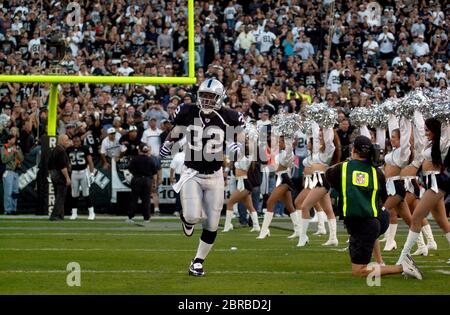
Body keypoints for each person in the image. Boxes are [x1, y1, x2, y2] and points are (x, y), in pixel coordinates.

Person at [160, 78, 245, 277]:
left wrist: (237, 147)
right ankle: (187, 221)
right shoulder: (188, 111)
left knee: (212, 224)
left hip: (215, 176)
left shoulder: (230, 116)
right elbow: (176, 131)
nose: (207, 100)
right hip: (192, 173)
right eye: (204, 96)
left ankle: (197, 261)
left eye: (211, 96)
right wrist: (167, 144)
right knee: (192, 216)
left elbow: (241, 140)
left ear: (220, 97)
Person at [325, 135, 423, 279]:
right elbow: (385, 198)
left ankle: (403, 267)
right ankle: (380, 261)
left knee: (359, 271)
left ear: (354, 150)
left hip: (362, 224)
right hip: (376, 219)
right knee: (366, 243)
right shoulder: (377, 172)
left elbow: (328, 174)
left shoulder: (342, 168)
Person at [396, 118, 450, 267]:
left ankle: (402, 258)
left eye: (428, 130)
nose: (425, 133)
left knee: (416, 217)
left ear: (435, 130)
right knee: (442, 221)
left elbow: (446, 133)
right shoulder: (430, 143)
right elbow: (419, 133)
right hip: (429, 183)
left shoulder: (442, 143)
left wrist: (446, 120)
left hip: (436, 183)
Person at [66, 135, 95, 220]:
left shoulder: (85, 148)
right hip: (74, 173)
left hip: (83, 172)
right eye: (74, 141)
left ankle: (91, 213)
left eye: (77, 141)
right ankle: (74, 213)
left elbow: (90, 161)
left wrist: (92, 173)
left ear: (80, 141)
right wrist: (68, 168)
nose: (76, 143)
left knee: (86, 193)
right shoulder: (69, 149)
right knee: (74, 194)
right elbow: (66, 161)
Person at [127, 144, 157, 224]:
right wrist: (154, 183)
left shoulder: (135, 159)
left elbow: (130, 169)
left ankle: (130, 217)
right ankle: (146, 218)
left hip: (137, 179)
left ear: (139, 150)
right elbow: (154, 172)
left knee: (134, 199)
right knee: (146, 200)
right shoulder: (150, 160)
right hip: (147, 180)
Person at [48, 135, 72, 221]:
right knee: (60, 197)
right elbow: (63, 167)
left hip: (54, 174)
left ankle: (60, 215)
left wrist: (52, 174)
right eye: (66, 140)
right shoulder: (61, 151)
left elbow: (49, 164)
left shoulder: (54, 149)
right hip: (60, 174)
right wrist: (67, 178)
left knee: (58, 196)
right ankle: (54, 215)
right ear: (61, 140)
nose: (67, 142)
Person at [1, 134, 24, 214]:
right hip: (8, 171)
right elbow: (3, 159)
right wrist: (12, 153)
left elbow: (22, 158)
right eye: (13, 139)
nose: (14, 141)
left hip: (16, 172)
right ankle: (7, 210)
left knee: (15, 192)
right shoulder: (4, 148)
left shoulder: (17, 147)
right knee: (8, 192)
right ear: (8, 140)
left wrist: (17, 152)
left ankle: (14, 209)